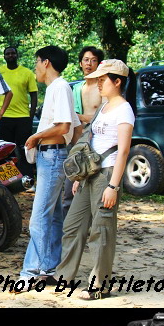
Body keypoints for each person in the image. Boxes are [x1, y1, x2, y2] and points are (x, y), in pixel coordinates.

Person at [51, 59, 135, 300]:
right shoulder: (104, 107)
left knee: (101, 231)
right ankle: (64, 277)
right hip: (90, 176)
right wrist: (80, 177)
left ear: (117, 82)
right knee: (72, 226)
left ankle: (100, 286)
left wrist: (113, 186)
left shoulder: (123, 110)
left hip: (107, 176)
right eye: (97, 79)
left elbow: (123, 151)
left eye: (103, 79)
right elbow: (92, 143)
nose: (98, 84)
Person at [17, 46, 81, 286]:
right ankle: (50, 267)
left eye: (37, 62)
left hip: (53, 155)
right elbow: (76, 127)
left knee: (39, 216)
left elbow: (64, 126)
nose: (35, 67)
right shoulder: (58, 88)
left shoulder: (60, 87)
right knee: (52, 215)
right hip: (52, 156)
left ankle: (31, 272)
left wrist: (35, 137)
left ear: (46, 62)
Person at [62, 46, 105, 216]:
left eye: (93, 60)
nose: (89, 63)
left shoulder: (102, 87)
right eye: (86, 60)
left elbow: (103, 116)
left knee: (94, 185)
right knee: (70, 187)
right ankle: (69, 228)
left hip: (96, 141)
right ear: (80, 63)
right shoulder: (76, 88)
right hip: (77, 142)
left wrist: (81, 117)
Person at [0, 46, 38, 180]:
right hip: (5, 117)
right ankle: (8, 179)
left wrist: (31, 116)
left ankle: (27, 178)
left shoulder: (27, 73)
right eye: (8, 54)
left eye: (13, 53)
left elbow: (34, 95)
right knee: (5, 150)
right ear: (4, 56)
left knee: (24, 148)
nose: (10, 55)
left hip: (23, 117)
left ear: (17, 55)